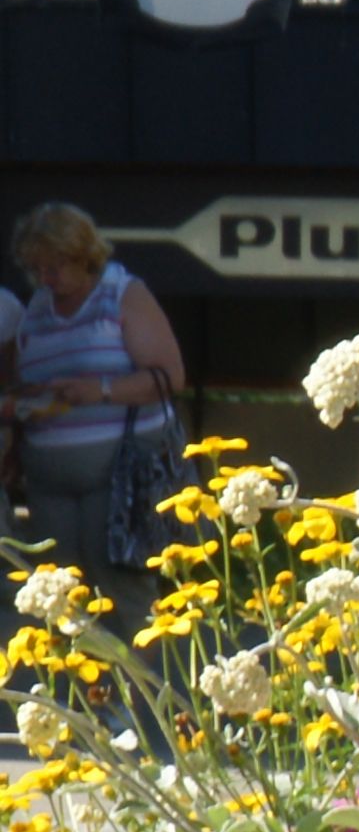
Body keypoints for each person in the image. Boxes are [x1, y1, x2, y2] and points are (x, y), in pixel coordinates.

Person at [5, 203, 189, 584]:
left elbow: (168, 377)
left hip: (119, 471)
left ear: (82, 257)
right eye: (36, 269)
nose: (44, 278)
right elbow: (28, 375)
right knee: (62, 585)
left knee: (120, 580)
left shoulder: (122, 294)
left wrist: (100, 390)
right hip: (49, 475)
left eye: (53, 268)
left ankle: (140, 646)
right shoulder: (38, 306)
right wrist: (31, 398)